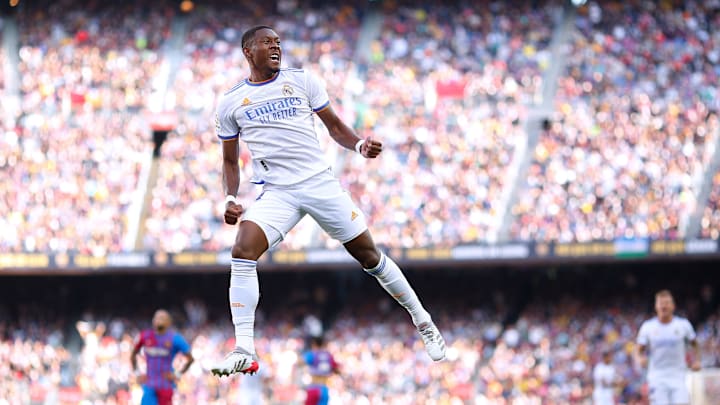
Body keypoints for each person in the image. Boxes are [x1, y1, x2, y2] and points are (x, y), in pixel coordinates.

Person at [210, 25, 446, 376]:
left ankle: (423, 322)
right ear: (248, 51)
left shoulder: (302, 80)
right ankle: (244, 346)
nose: (276, 47)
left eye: (278, 42)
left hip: (319, 184)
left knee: (370, 257)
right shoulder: (230, 102)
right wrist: (229, 197)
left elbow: (335, 126)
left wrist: (359, 146)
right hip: (278, 192)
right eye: (267, 43)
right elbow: (230, 161)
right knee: (242, 250)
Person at [636, 290, 701, 405]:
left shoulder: (683, 325)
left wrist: (697, 361)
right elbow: (638, 349)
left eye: (666, 303)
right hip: (657, 376)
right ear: (656, 306)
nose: (664, 306)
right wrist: (639, 358)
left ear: (673, 306)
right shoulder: (648, 327)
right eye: (661, 303)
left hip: (678, 375)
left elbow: (695, 344)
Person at [131, 309, 194, 405]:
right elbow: (133, 355)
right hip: (149, 385)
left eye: (162, 318)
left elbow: (190, 359)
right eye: (157, 317)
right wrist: (137, 373)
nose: (159, 320)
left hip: (166, 385)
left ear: (169, 322)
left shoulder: (175, 339)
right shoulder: (145, 336)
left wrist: (177, 374)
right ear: (153, 320)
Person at [302, 336, 339, 405]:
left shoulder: (312, 354)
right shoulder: (329, 355)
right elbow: (337, 370)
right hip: (324, 390)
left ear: (314, 344)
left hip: (314, 388)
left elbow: (300, 362)